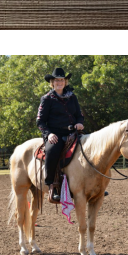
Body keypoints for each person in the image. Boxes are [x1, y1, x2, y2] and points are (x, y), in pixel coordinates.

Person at [36, 67, 84, 203]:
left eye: (62, 80)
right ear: (52, 82)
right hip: (54, 134)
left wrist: (80, 123)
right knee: (52, 151)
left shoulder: (72, 97)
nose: (59, 82)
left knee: (89, 148)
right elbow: (40, 121)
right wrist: (49, 134)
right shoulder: (47, 99)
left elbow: (79, 115)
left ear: (65, 81)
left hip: (73, 133)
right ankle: (53, 185)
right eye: (56, 80)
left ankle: (92, 183)